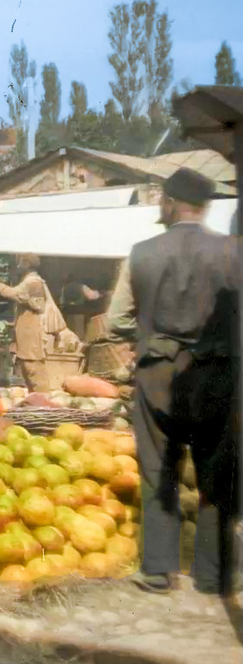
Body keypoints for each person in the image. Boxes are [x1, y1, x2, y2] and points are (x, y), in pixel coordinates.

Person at [107, 168, 238, 595]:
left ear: (168, 201)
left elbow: (117, 319)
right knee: (216, 472)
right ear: (204, 206)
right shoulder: (233, 251)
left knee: (158, 469)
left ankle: (158, 570)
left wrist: (150, 336)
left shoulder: (141, 252)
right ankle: (215, 573)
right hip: (217, 373)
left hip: (157, 374)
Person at [0, 253, 54, 392]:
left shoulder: (32, 282)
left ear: (26, 263)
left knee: (32, 365)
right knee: (26, 365)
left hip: (32, 329)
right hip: (27, 328)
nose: (17, 266)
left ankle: (42, 398)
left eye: (19, 262)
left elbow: (9, 293)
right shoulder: (29, 280)